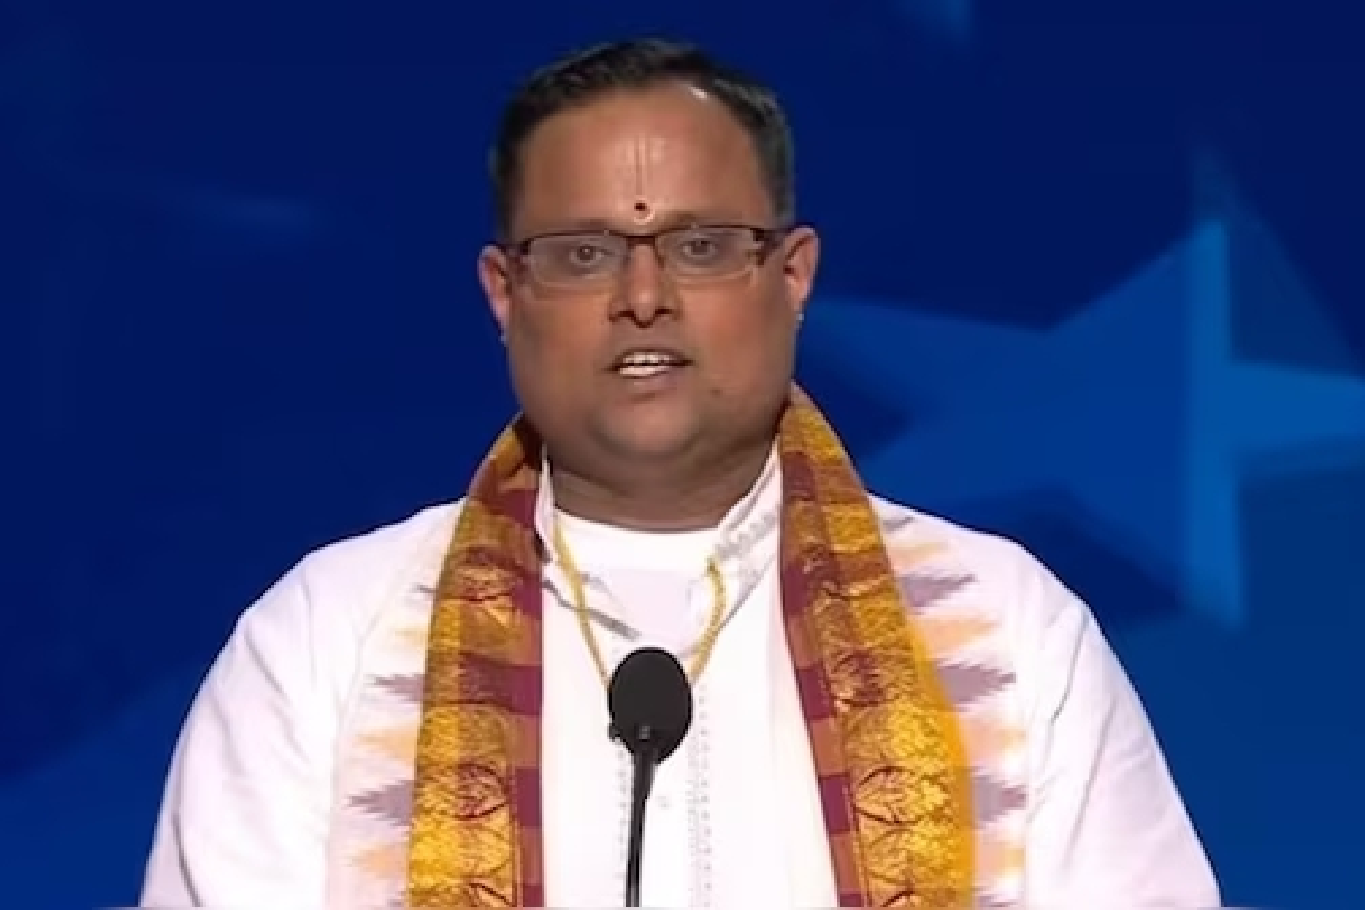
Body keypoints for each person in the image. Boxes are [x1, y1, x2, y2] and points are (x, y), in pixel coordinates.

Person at [139, 38, 1221, 909]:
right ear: (502, 294)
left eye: (701, 246)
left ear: (791, 276)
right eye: (581, 252)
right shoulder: (327, 637)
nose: (643, 296)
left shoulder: (1006, 625)